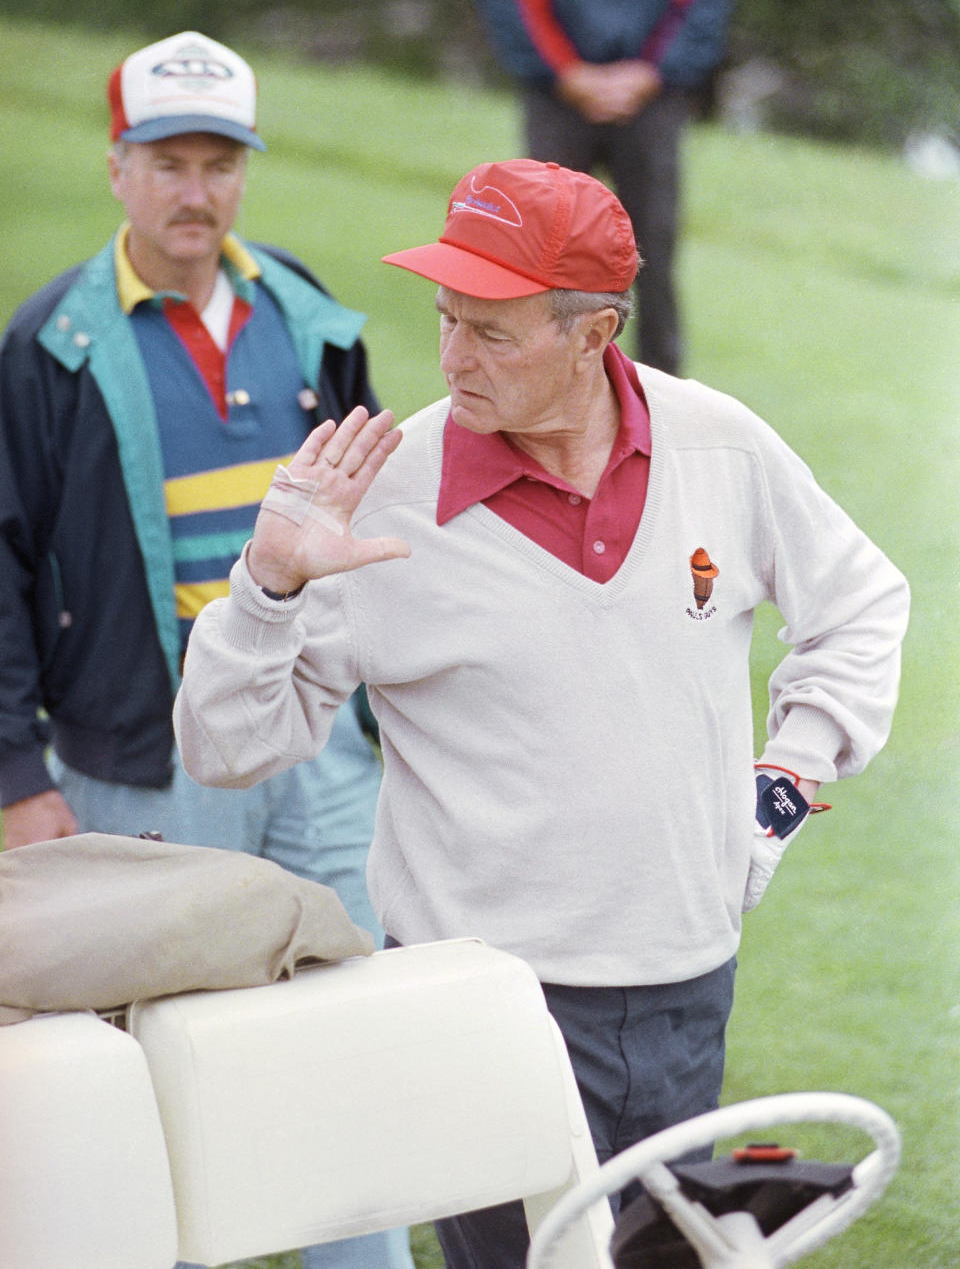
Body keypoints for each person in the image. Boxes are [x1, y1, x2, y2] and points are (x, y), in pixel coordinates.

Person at [174, 158, 909, 1269]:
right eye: (446, 318)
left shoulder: (722, 445)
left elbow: (862, 604)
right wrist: (268, 587)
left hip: (682, 981)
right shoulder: (383, 494)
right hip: (481, 997)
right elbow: (226, 747)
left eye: (493, 331)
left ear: (595, 331)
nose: (453, 357)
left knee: (669, 1256)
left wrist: (788, 775)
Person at [0, 30, 414, 1269]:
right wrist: (19, 781)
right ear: (118, 168)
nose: (198, 191)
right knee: (168, 1054)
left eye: (220, 163)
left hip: (320, 743)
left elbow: (361, 518)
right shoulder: (47, 347)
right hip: (140, 755)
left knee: (349, 1028)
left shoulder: (304, 311)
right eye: (170, 162)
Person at [473, 0, 734, 375]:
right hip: (560, 95)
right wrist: (565, 72)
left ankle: (664, 386)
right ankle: (535, 372)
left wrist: (653, 72)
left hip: (652, 98)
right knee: (544, 245)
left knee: (653, 249)